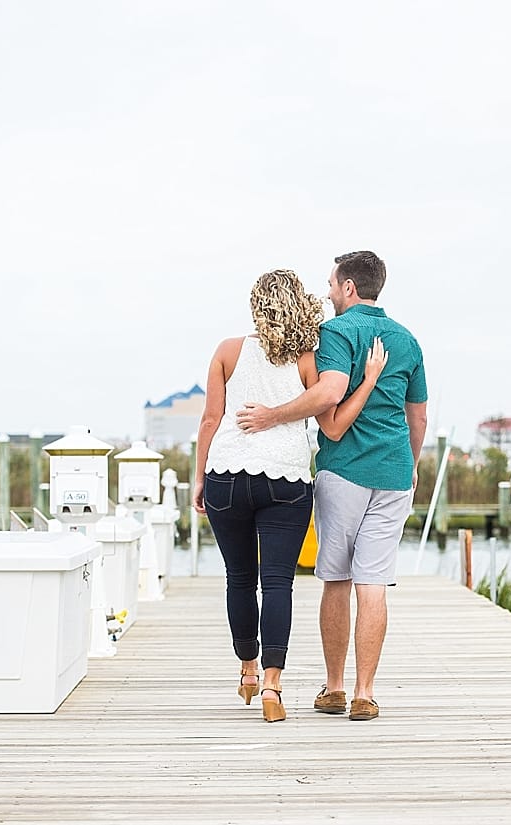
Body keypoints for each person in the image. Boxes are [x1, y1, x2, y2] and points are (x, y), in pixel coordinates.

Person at [237, 250, 427, 721]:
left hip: (344, 471)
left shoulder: (337, 333)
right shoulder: (408, 340)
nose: (326, 292)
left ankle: (336, 688)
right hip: (395, 474)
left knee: (337, 580)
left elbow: (329, 396)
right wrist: (413, 464)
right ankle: (366, 692)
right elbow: (417, 415)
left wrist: (271, 417)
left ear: (348, 287)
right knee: (375, 582)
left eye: (330, 283)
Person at [194, 269, 387, 723]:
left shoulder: (227, 351)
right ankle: (272, 686)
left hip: (227, 472)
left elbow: (209, 419)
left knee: (239, 578)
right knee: (277, 582)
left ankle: (246, 669)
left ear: (256, 306)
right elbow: (325, 403)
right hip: (286, 479)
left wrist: (201, 477)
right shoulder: (307, 358)